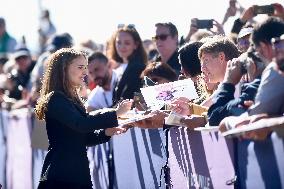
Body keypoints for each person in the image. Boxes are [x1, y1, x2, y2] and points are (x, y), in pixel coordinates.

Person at [34, 48, 133, 189]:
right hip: (60, 177)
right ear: (64, 69)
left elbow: (82, 138)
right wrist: (115, 113)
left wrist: (106, 133)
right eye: (81, 67)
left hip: (77, 176)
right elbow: (81, 124)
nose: (86, 73)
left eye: (86, 67)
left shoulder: (71, 99)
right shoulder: (55, 99)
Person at [108, 25, 147, 105]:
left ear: (136, 45)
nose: (122, 47)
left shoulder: (138, 68)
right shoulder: (120, 68)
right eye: (119, 42)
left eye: (127, 43)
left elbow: (128, 100)